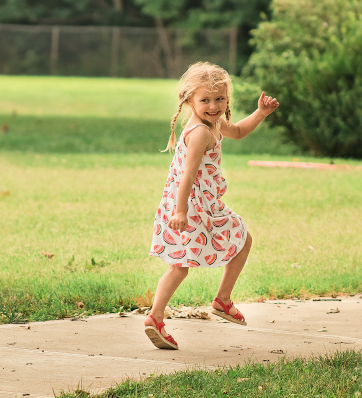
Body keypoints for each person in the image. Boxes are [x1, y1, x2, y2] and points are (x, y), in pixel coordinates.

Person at [145, 62, 279, 350]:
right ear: (188, 100)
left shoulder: (213, 124)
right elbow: (187, 176)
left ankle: (155, 318)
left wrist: (261, 112)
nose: (213, 106)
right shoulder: (201, 133)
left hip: (193, 204)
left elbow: (240, 131)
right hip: (194, 205)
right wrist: (180, 211)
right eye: (205, 100)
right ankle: (223, 300)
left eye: (220, 99)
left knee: (179, 267)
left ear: (227, 100)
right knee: (242, 238)